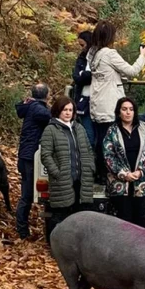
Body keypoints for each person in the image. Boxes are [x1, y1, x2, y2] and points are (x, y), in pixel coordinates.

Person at [88, 20, 145, 175]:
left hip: (97, 104)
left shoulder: (92, 54)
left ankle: (100, 174)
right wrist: (142, 56)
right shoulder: (110, 54)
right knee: (112, 142)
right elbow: (132, 71)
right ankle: (110, 173)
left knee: (100, 140)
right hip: (110, 104)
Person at [39, 96, 95, 235]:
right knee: (59, 215)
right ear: (58, 110)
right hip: (62, 179)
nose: (68, 113)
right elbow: (46, 155)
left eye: (70, 110)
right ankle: (54, 245)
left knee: (80, 215)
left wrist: (90, 167)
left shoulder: (79, 128)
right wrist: (56, 173)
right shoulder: (50, 130)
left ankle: (75, 246)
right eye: (65, 110)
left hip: (81, 179)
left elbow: (88, 149)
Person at [102, 96, 145, 228]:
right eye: (124, 109)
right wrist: (123, 173)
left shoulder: (144, 128)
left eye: (131, 109)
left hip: (141, 182)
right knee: (124, 220)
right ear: (119, 112)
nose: (128, 112)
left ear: (135, 111)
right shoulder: (112, 131)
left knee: (142, 219)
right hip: (120, 183)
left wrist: (141, 171)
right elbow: (108, 155)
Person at [14, 83, 51, 240]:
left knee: (26, 193)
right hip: (30, 157)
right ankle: (22, 231)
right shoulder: (39, 110)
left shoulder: (30, 107)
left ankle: (22, 227)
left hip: (24, 155)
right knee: (27, 195)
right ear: (46, 95)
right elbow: (53, 119)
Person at [72, 30, 95, 149]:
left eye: (82, 45)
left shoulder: (97, 56)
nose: (81, 48)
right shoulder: (81, 58)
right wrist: (85, 75)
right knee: (86, 131)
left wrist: (84, 75)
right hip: (82, 99)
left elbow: (92, 76)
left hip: (95, 99)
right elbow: (76, 76)